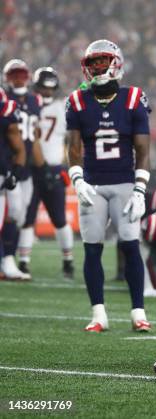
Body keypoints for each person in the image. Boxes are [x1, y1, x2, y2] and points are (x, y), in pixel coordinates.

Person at [66, 39, 152, 332]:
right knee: (92, 249)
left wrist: (140, 189)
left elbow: (143, 150)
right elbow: (74, 147)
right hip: (92, 185)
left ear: (116, 63)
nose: (97, 67)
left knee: (130, 246)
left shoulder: (133, 98)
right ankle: (98, 313)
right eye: (93, 63)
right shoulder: (77, 100)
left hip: (125, 183)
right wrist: (77, 179)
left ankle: (138, 313)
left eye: (102, 61)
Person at [17, 67, 74, 279]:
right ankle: (24, 262)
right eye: (44, 89)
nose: (46, 93)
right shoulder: (62, 107)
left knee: (56, 218)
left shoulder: (31, 106)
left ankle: (66, 262)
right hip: (40, 167)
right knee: (28, 217)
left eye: (48, 89)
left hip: (47, 168)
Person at [1, 59, 45, 280]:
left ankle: (9, 259)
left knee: (19, 215)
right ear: (8, 77)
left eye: (21, 74)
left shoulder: (36, 100)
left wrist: (42, 166)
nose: (18, 78)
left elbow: (35, 136)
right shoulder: (4, 98)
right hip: (8, 163)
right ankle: (7, 259)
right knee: (11, 212)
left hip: (25, 164)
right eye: (14, 74)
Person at [0, 97, 27, 279]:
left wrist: (15, 172)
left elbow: (19, 146)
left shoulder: (6, 108)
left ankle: (8, 259)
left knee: (15, 214)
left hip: (1, 171)